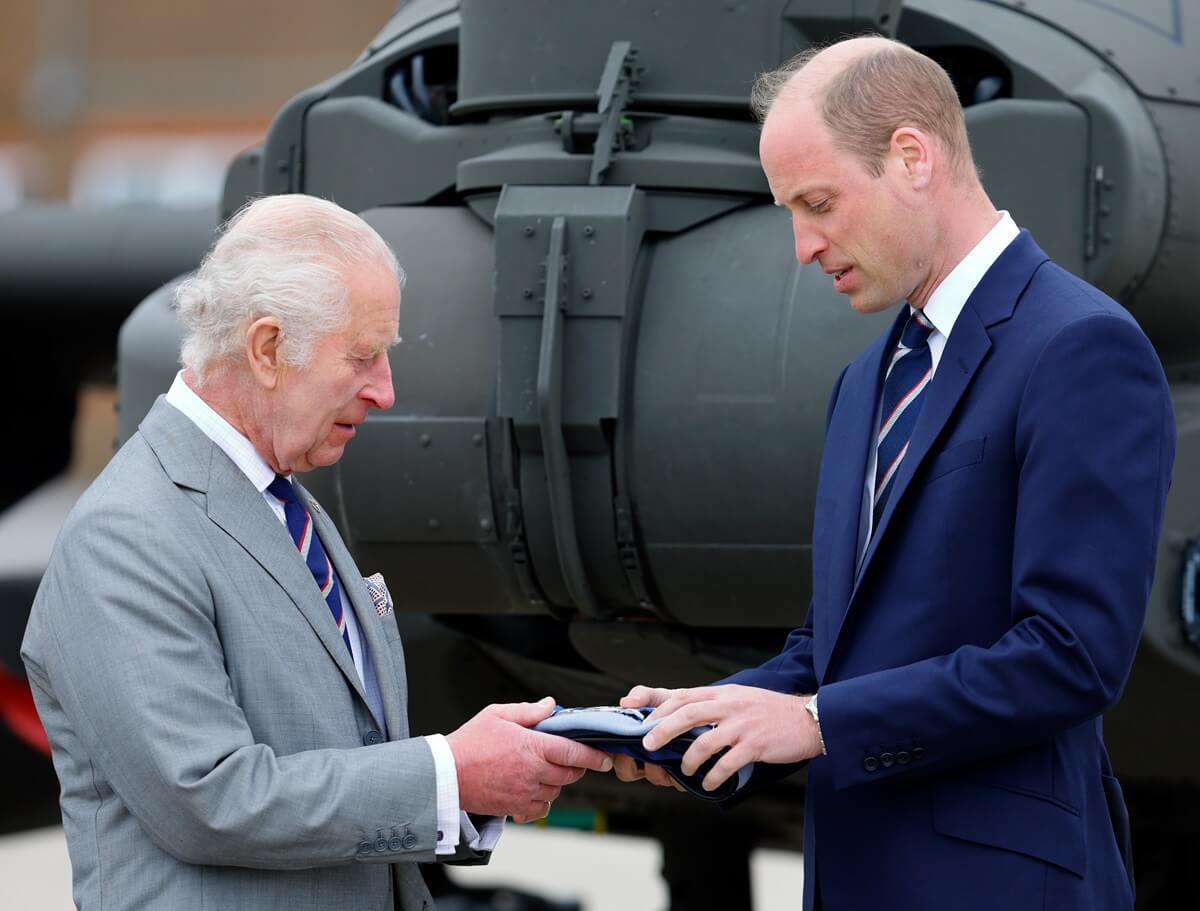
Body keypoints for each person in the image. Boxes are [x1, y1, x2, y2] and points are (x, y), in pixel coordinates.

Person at [614, 36, 1175, 911]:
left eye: (819, 202)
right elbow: (835, 649)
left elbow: (1070, 656)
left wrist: (812, 722)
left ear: (912, 157)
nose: (802, 246)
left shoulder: (1080, 348)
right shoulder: (862, 381)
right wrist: (711, 711)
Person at [22, 194, 613, 911]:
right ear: (267, 348)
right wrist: (448, 773)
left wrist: (482, 773)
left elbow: (338, 759)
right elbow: (209, 798)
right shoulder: (127, 535)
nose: (386, 391)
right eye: (363, 355)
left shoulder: (286, 506)